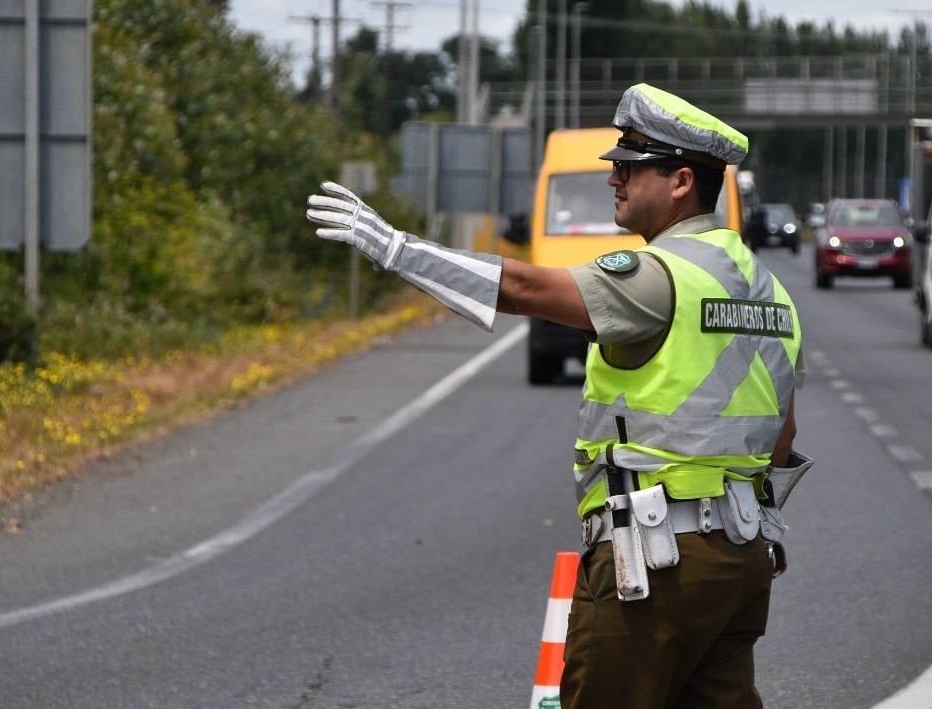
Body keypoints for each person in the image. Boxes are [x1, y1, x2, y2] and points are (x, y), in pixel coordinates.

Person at [305, 82, 807, 709]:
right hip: (741, 559)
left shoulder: (661, 276)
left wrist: (396, 249)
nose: (614, 179)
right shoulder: (770, 293)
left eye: (630, 167)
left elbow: (524, 288)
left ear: (681, 181)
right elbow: (781, 436)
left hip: (660, 560)